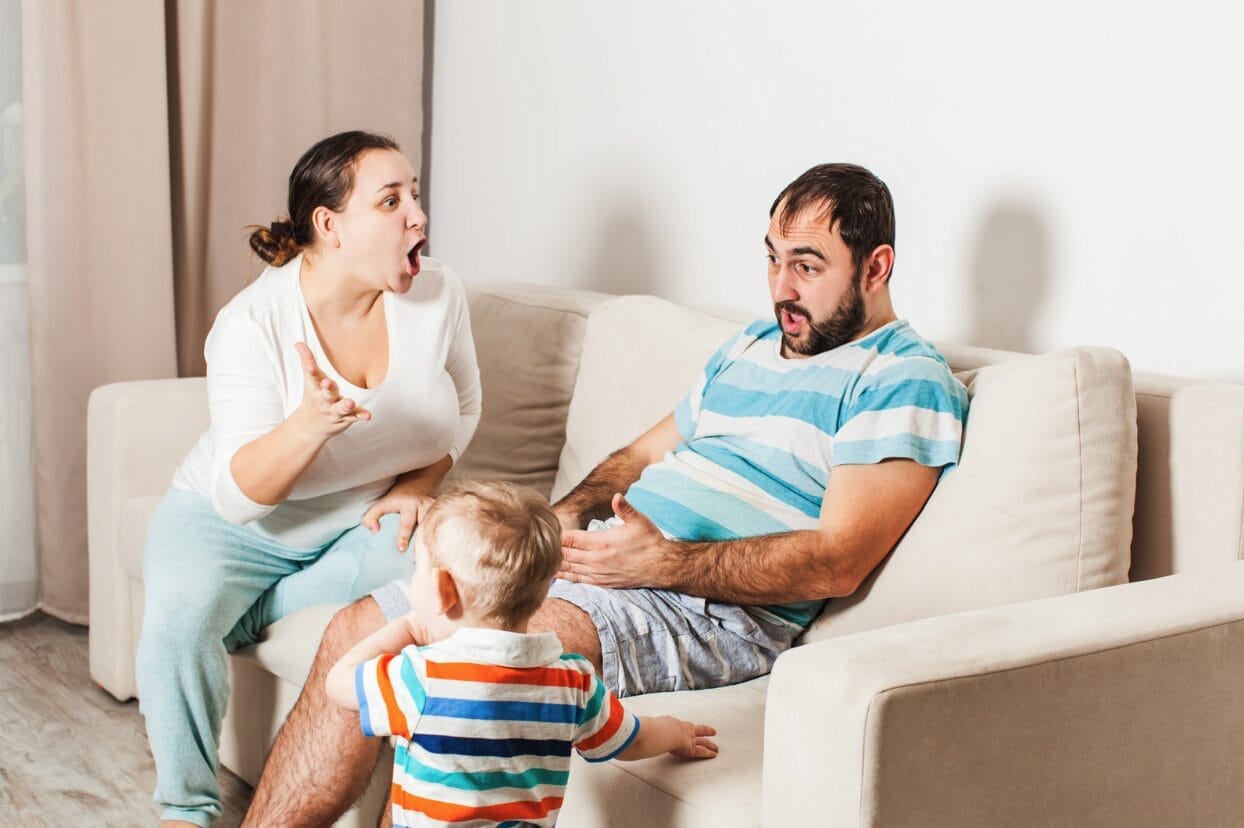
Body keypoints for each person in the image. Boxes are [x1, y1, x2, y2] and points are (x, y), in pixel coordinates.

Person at [243, 162, 969, 825]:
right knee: (351, 633)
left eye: (807, 267)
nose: (781, 286)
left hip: (704, 610)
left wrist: (661, 564)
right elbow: (635, 457)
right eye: (774, 258)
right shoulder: (750, 345)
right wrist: (546, 533)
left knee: (468, 663)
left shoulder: (901, 378)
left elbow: (837, 560)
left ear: (876, 268)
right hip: (610, 567)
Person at [135, 130, 482, 828]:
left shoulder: (437, 293)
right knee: (175, 625)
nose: (416, 214)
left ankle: (241, 615)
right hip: (231, 520)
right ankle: (185, 808)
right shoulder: (253, 324)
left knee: (423, 575)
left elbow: (465, 409)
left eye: (414, 194)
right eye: (391, 200)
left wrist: (416, 486)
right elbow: (237, 498)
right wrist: (308, 424)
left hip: (361, 517)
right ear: (330, 225)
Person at [325, 481, 718, 827]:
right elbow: (631, 740)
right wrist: (675, 732)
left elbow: (339, 683)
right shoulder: (573, 681)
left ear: (443, 590)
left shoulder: (422, 678)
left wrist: (407, 628)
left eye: (417, 568)